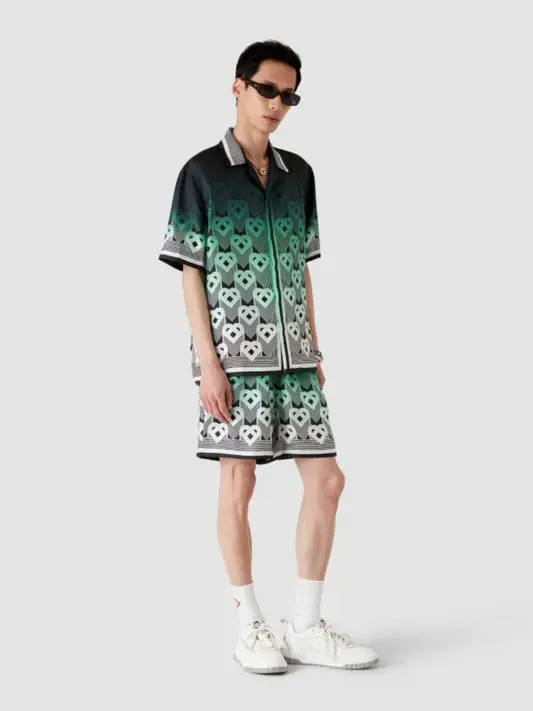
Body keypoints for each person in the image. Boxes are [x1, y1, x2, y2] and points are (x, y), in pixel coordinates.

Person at [158, 39, 379, 674]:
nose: (277, 104)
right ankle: (250, 624)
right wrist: (208, 362)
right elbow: (190, 270)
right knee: (240, 482)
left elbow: (302, 267)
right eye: (267, 90)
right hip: (234, 357)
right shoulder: (201, 173)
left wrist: (313, 344)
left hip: (297, 356)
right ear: (238, 87)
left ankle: (305, 626)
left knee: (328, 481)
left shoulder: (298, 174)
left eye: (289, 96)